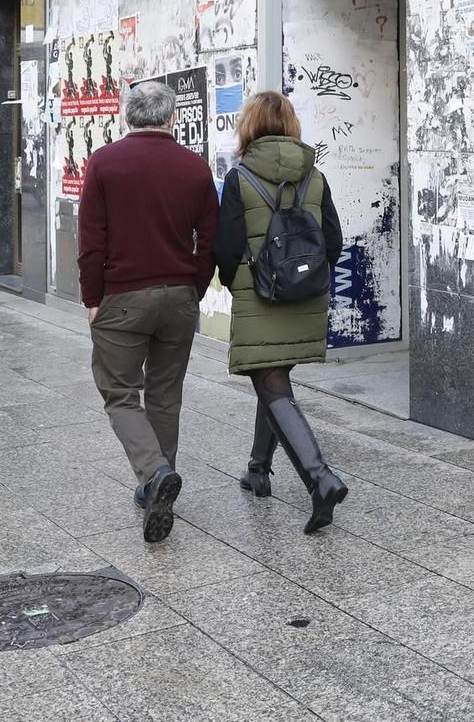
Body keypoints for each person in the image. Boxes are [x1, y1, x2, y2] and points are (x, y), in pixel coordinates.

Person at [78, 80, 218, 544]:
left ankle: (154, 472)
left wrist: (92, 297)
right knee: (165, 394)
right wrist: (194, 287)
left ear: (127, 116)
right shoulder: (195, 168)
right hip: (178, 296)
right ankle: (159, 483)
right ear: (172, 117)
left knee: (120, 393)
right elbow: (209, 241)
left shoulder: (104, 163)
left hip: (122, 296)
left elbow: (91, 240)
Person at [213, 90, 348, 534]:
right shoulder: (316, 176)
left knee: (269, 381)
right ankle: (257, 469)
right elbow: (333, 242)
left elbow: (228, 247)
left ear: (250, 126)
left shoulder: (240, 178)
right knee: (272, 378)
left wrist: (242, 285)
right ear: (290, 125)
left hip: (262, 296)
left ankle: (319, 477)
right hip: (305, 296)